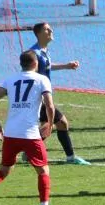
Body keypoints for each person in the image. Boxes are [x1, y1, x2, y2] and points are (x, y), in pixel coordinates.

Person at [0, 50, 59, 205]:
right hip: (30, 134)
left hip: (11, 134)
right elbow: (49, 105)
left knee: (4, 170)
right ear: (36, 64)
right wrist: (49, 123)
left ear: (21, 64)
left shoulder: (10, 79)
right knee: (43, 171)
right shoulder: (42, 79)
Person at [28, 21, 89, 165]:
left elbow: (47, 67)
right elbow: (30, 75)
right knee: (61, 123)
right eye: (47, 29)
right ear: (39, 34)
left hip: (43, 96)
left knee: (48, 125)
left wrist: (66, 66)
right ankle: (71, 158)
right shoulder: (34, 54)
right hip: (39, 98)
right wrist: (40, 97)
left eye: (50, 29)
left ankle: (28, 151)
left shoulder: (44, 51)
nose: (51, 31)